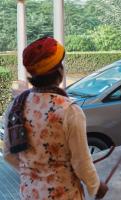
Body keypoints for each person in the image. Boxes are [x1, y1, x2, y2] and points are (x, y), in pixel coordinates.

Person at [3, 37, 108, 199]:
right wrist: (96, 187)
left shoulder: (16, 106)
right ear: (59, 71)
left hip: (30, 194)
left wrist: (34, 175)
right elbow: (81, 162)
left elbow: (9, 154)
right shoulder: (69, 110)